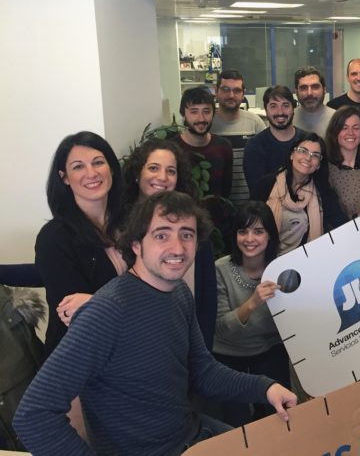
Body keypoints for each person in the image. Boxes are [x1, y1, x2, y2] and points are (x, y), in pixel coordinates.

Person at [14, 191, 297, 455]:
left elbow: (202, 371)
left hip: (193, 435)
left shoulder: (179, 293)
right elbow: (33, 416)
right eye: (162, 235)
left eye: (186, 235)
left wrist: (264, 388)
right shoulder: (106, 312)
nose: (177, 247)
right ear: (136, 244)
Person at [35, 131, 126, 357]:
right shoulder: (54, 237)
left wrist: (98, 302)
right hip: (78, 360)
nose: (91, 173)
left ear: (112, 168)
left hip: (131, 351)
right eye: (78, 167)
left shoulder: (133, 222)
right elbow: (76, 315)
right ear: (64, 177)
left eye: (98, 162)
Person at [122, 139, 217, 349]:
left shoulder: (195, 226)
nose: (162, 177)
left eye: (171, 171)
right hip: (137, 344)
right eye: (153, 168)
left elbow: (207, 303)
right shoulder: (120, 230)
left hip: (187, 344)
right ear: (137, 173)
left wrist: (203, 353)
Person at [213, 201, 290, 426]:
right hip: (228, 352)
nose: (249, 239)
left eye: (258, 231)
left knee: (281, 414)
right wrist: (253, 302)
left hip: (268, 347)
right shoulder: (220, 269)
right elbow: (221, 328)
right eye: (243, 231)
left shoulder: (283, 268)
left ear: (270, 235)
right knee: (236, 423)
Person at [250, 132, 347, 255]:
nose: (308, 158)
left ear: (318, 165)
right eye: (303, 151)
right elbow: (248, 225)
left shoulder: (323, 192)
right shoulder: (265, 185)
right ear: (292, 154)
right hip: (267, 259)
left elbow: (342, 225)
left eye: (315, 155)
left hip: (306, 260)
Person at [175, 87, 233, 198]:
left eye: (206, 112)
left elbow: (225, 193)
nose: (201, 118)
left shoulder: (224, 147)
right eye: (194, 112)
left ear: (213, 113)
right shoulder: (171, 148)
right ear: (183, 114)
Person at [243, 85, 303, 191]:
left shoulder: (307, 141)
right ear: (266, 110)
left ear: (293, 108)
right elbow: (257, 190)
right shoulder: (255, 146)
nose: (280, 112)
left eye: (285, 105)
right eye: (273, 106)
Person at [325, 105, 360, 219]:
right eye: (344, 128)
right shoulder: (326, 169)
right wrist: (356, 218)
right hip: (343, 230)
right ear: (335, 132)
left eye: (356, 128)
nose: (350, 133)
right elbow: (327, 216)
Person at [212, 69, 266, 136]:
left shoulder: (255, 123)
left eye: (237, 90)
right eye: (225, 90)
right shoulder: (207, 123)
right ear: (216, 91)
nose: (231, 95)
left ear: (243, 94)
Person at [292, 66, 334, 137]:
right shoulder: (288, 119)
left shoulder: (337, 119)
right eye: (303, 88)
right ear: (296, 91)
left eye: (315, 87)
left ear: (324, 89)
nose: (309, 93)